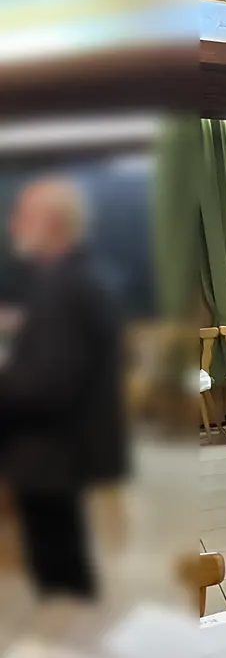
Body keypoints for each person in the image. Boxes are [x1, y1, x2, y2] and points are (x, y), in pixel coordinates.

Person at [0, 178, 127, 599]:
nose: (12, 224)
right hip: (65, 446)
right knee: (61, 560)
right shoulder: (73, 275)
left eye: (21, 215)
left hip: (52, 450)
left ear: (50, 222)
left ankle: (69, 654)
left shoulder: (64, 285)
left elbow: (48, 385)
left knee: (60, 576)